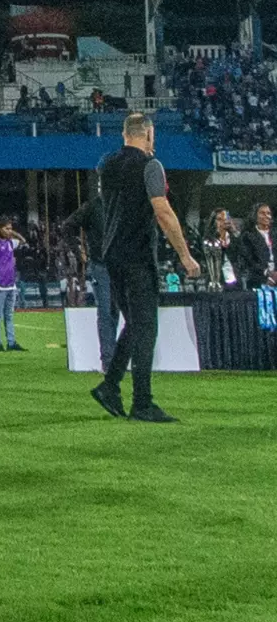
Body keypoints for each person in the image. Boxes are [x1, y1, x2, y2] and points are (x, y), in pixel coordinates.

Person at [91, 112, 201, 423]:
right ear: (148, 134)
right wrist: (185, 255)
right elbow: (162, 211)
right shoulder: (150, 166)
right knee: (146, 327)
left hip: (111, 255)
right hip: (137, 254)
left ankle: (110, 386)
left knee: (135, 324)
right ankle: (142, 402)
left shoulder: (107, 165)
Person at [62, 194, 116, 368]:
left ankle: (113, 357)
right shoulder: (93, 206)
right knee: (107, 311)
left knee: (113, 311)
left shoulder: (118, 203)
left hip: (120, 265)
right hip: (102, 265)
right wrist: (78, 252)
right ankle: (108, 360)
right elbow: (67, 227)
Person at [0, 217, 27, 352]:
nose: (9, 231)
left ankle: (11, 342)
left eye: (10, 228)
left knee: (9, 315)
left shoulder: (11, 242)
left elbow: (23, 241)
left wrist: (13, 233)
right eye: (6, 228)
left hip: (11, 284)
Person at [235, 203, 276, 289]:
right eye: (262, 213)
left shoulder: (275, 234)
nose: (266, 216)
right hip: (257, 278)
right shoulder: (247, 236)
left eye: (268, 213)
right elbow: (249, 261)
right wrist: (268, 273)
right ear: (255, 216)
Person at [201, 208, 241, 292]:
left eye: (225, 219)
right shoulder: (208, 238)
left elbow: (241, 252)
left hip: (235, 280)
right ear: (213, 221)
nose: (223, 222)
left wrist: (233, 231)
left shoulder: (234, 237)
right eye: (219, 219)